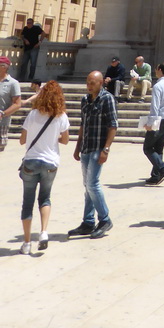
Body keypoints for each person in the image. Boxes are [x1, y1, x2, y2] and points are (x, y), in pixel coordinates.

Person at [18, 80, 70, 254]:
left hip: (31, 161)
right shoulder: (61, 116)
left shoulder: (32, 115)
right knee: (45, 198)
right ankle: (43, 233)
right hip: (50, 162)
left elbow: (22, 140)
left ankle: (26, 243)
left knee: (27, 202)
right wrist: (51, 138)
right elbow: (65, 140)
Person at [68, 71, 117, 239]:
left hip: (98, 147)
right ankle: (88, 222)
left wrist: (106, 149)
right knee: (87, 186)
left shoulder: (107, 98)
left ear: (101, 82)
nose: (89, 85)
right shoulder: (85, 100)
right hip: (86, 148)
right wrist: (77, 146)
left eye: (93, 82)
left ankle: (105, 219)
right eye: (88, 82)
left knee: (92, 184)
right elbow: (83, 124)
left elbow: (113, 125)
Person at [143, 62, 164, 185]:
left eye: (156, 69)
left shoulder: (158, 86)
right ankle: (156, 175)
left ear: (160, 70)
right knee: (159, 148)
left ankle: (162, 168)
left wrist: (151, 123)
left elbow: (155, 107)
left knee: (147, 147)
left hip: (159, 119)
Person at [0, 54, 22, 151]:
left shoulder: (13, 83)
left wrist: (3, 113)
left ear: (4, 67)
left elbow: (17, 104)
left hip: (2, 124)